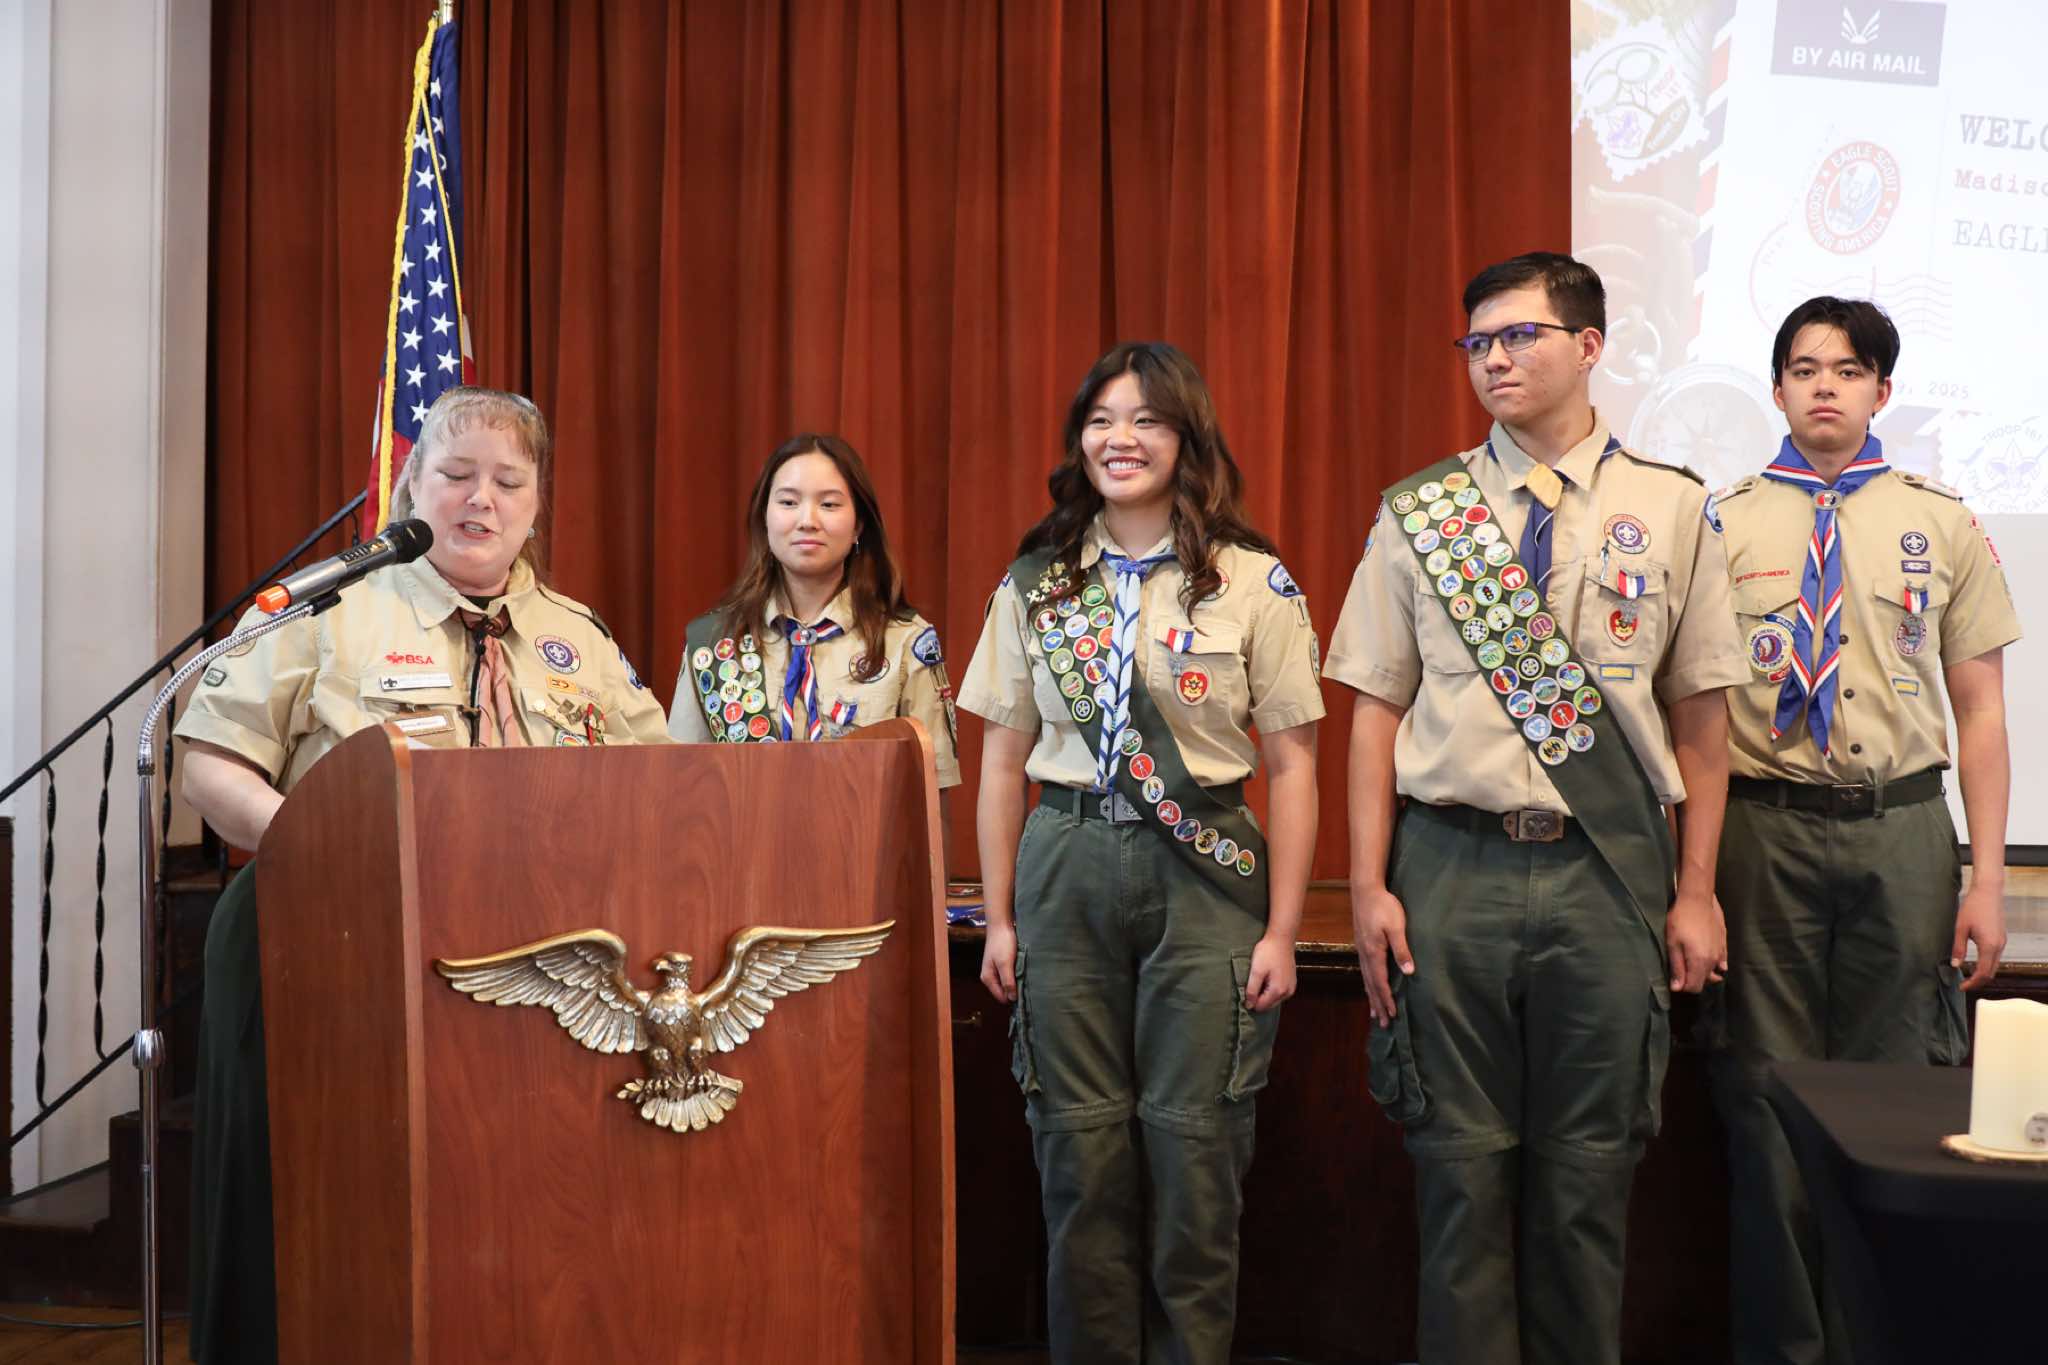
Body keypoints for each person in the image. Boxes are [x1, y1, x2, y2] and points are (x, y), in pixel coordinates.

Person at [173, 386, 668, 1363]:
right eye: (456, 474)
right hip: (325, 934)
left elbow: (657, 788)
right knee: (315, 1194)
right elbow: (210, 765)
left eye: (508, 481)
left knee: (506, 1198)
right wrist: (331, 853)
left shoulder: (582, 638)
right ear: (410, 485)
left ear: (537, 502)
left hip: (528, 958)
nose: (481, 499)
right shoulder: (331, 610)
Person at [1324, 251, 1747, 1364]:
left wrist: (1696, 889)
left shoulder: (1672, 507)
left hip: (1605, 877)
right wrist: (1367, 884)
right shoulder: (1424, 513)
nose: (1493, 360)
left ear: (1589, 346)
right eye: (1477, 343)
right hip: (1449, 867)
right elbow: (1373, 710)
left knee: (1586, 1182)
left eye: (1519, 336)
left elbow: (1702, 722)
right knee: (1455, 1176)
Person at [957, 341, 1322, 1364]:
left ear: (1185, 437)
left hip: (1204, 872)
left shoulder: (1250, 581)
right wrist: (1000, 916)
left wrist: (1282, 930)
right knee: (1077, 1158)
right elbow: (1000, 761)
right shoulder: (1036, 583)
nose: (1121, 439)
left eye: (1147, 420)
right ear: (1079, 439)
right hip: (1066, 859)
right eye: (1102, 420)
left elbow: (1292, 765)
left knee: (1197, 1152)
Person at [1705, 297, 2018, 1365]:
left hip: (1899, 830)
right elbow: (1690, 712)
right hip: (1762, 831)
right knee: (1763, 1103)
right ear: (1777, 388)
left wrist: (1985, 879)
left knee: (1897, 1105)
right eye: (1803, 369)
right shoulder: (1721, 522)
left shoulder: (1942, 521)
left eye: (1846, 370)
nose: (1823, 387)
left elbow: (1981, 711)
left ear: (1881, 390)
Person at [669, 434, 960, 791]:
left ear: (858, 525)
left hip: (861, 829)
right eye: (789, 502)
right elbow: (679, 786)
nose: (807, 520)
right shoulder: (715, 642)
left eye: (829, 504)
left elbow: (933, 800)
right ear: (764, 518)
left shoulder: (905, 642)